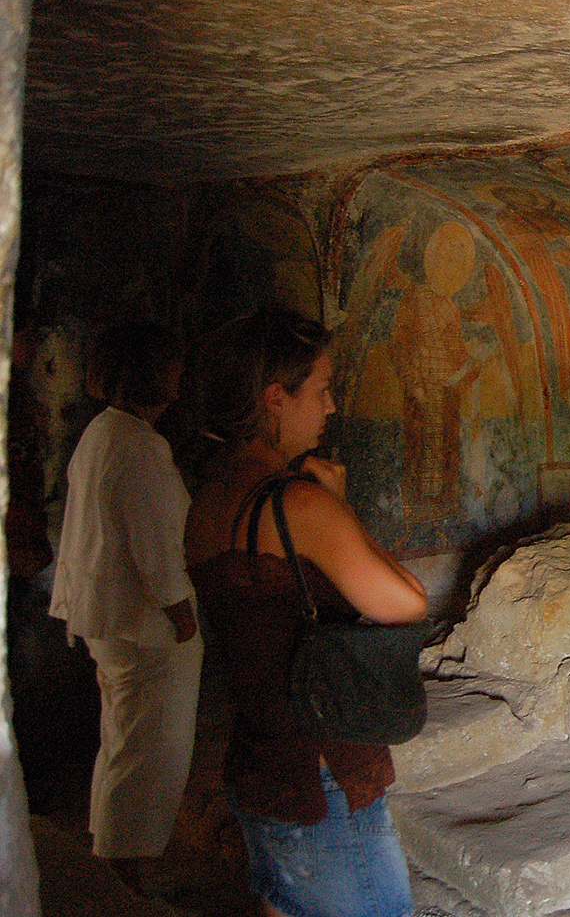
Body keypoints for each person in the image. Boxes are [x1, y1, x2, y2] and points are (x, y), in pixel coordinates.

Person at [184, 309, 427, 917]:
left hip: (259, 754)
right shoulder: (296, 503)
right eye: (319, 390)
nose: (331, 407)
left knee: (284, 901)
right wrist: (338, 508)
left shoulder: (209, 498)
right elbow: (405, 601)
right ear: (275, 400)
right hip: (319, 767)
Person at [49, 321, 202, 892]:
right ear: (150, 374)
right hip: (143, 627)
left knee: (125, 743)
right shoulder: (138, 445)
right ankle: (126, 872)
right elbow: (154, 541)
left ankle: (113, 858)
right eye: (173, 368)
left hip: (109, 620)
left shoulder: (103, 433)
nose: (180, 379)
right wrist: (180, 610)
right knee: (147, 753)